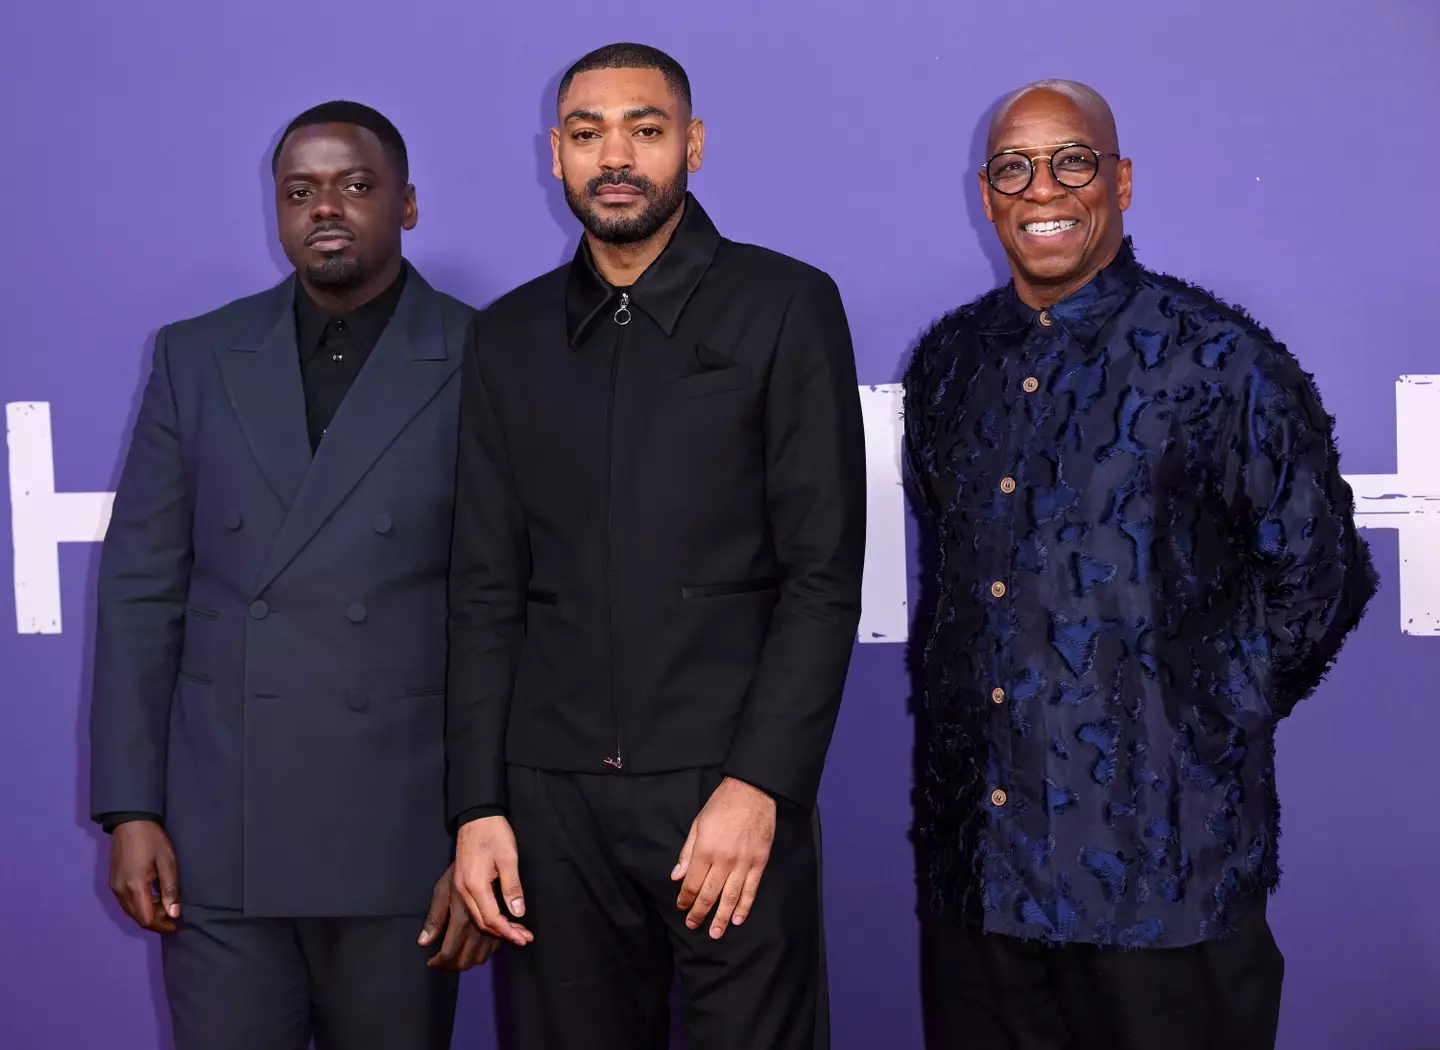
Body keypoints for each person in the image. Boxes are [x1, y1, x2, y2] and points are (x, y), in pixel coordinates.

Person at [903, 80, 1377, 1050]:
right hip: (981, 893)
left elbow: (1323, 571)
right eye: (1012, 168)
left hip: (1166, 892)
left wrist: (1201, 708)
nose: (1043, 189)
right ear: (987, 195)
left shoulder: (1216, 361)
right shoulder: (948, 366)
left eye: (1070, 160)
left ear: (1118, 180)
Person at [446, 41, 866, 1050]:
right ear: (557, 155)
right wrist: (479, 805)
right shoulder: (506, 337)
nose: (616, 156)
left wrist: (760, 784)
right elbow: (484, 589)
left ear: (694, 144)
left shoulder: (784, 305)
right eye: (588, 134)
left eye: (645, 128)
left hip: (723, 794)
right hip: (552, 811)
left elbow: (822, 575)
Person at [90, 100, 492, 1050]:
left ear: (408, 205)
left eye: (357, 186)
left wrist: (485, 825)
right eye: (300, 191)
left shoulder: (488, 352)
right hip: (222, 835)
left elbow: (502, 609)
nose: (327, 209)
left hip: (403, 835)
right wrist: (130, 809)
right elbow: (143, 589)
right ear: (275, 212)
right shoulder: (195, 355)